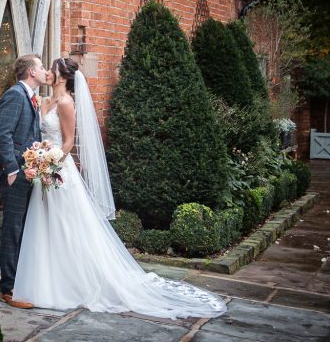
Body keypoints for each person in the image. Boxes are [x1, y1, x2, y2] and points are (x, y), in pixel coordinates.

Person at [12, 57, 227, 319]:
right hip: (43, 173)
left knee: (67, 227)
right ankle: (45, 281)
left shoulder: (67, 103)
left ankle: (78, 282)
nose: (47, 72)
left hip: (59, 173)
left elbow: (68, 143)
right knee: (45, 227)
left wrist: (50, 165)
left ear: (62, 77)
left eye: (52, 69)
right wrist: (38, 160)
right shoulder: (44, 102)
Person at [0, 54, 48, 309]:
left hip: (28, 172)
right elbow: (4, 134)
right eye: (42, 67)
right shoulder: (15, 94)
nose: (45, 71)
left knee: (22, 228)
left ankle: (18, 283)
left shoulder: (31, 98)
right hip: (16, 175)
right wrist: (12, 169)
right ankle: (8, 290)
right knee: (12, 230)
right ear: (31, 72)